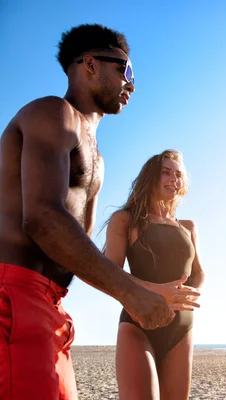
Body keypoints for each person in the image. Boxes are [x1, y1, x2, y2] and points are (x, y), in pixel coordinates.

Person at [0, 24, 174, 400]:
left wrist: (143, 289)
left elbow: (83, 253)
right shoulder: (52, 113)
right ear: (90, 64)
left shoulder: (98, 158)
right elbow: (42, 218)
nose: (131, 84)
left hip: (53, 306)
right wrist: (130, 293)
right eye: (124, 71)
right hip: (12, 294)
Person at [104, 149, 204, 400]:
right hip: (138, 322)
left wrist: (186, 295)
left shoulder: (188, 227)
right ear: (151, 177)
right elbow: (108, 274)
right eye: (166, 172)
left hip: (181, 326)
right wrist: (157, 291)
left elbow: (199, 273)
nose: (174, 179)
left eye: (178, 174)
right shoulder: (125, 220)